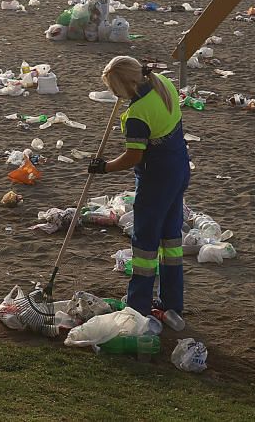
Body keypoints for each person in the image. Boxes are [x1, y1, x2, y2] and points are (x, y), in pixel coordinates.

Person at [88, 56, 190, 318]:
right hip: (178, 167)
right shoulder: (163, 83)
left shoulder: (136, 115)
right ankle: (171, 302)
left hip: (156, 178)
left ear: (123, 87)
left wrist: (104, 167)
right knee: (170, 239)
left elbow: (134, 156)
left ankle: (139, 305)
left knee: (145, 244)